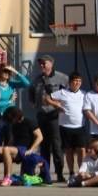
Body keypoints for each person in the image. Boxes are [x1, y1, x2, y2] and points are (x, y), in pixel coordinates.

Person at [32, 55, 69, 183]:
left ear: (51, 64)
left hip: (55, 116)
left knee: (56, 145)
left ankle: (59, 173)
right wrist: (35, 105)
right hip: (42, 115)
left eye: (44, 63)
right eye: (40, 64)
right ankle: (44, 173)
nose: (42, 65)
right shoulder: (37, 79)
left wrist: (59, 105)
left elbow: (68, 95)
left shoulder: (62, 78)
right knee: (44, 146)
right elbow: (31, 93)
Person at [44, 72, 87, 181]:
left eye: (79, 81)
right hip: (65, 126)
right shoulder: (62, 92)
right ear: (70, 82)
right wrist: (56, 104)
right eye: (75, 81)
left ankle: (81, 172)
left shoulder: (84, 94)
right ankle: (71, 172)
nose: (77, 83)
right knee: (69, 150)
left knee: (82, 150)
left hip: (80, 126)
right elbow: (47, 98)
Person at [0, 107, 49, 185]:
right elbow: (12, 139)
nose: (10, 121)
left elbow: (40, 137)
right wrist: (8, 145)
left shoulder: (29, 122)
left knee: (6, 149)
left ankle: (7, 177)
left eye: (11, 119)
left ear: (16, 117)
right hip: (15, 149)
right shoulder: (13, 124)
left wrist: (31, 149)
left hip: (24, 149)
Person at [0, 64, 31, 142]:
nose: (7, 73)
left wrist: (15, 72)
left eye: (9, 72)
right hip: (0, 117)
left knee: (10, 140)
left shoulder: (11, 84)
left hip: (11, 117)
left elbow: (27, 83)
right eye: (5, 71)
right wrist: (9, 101)